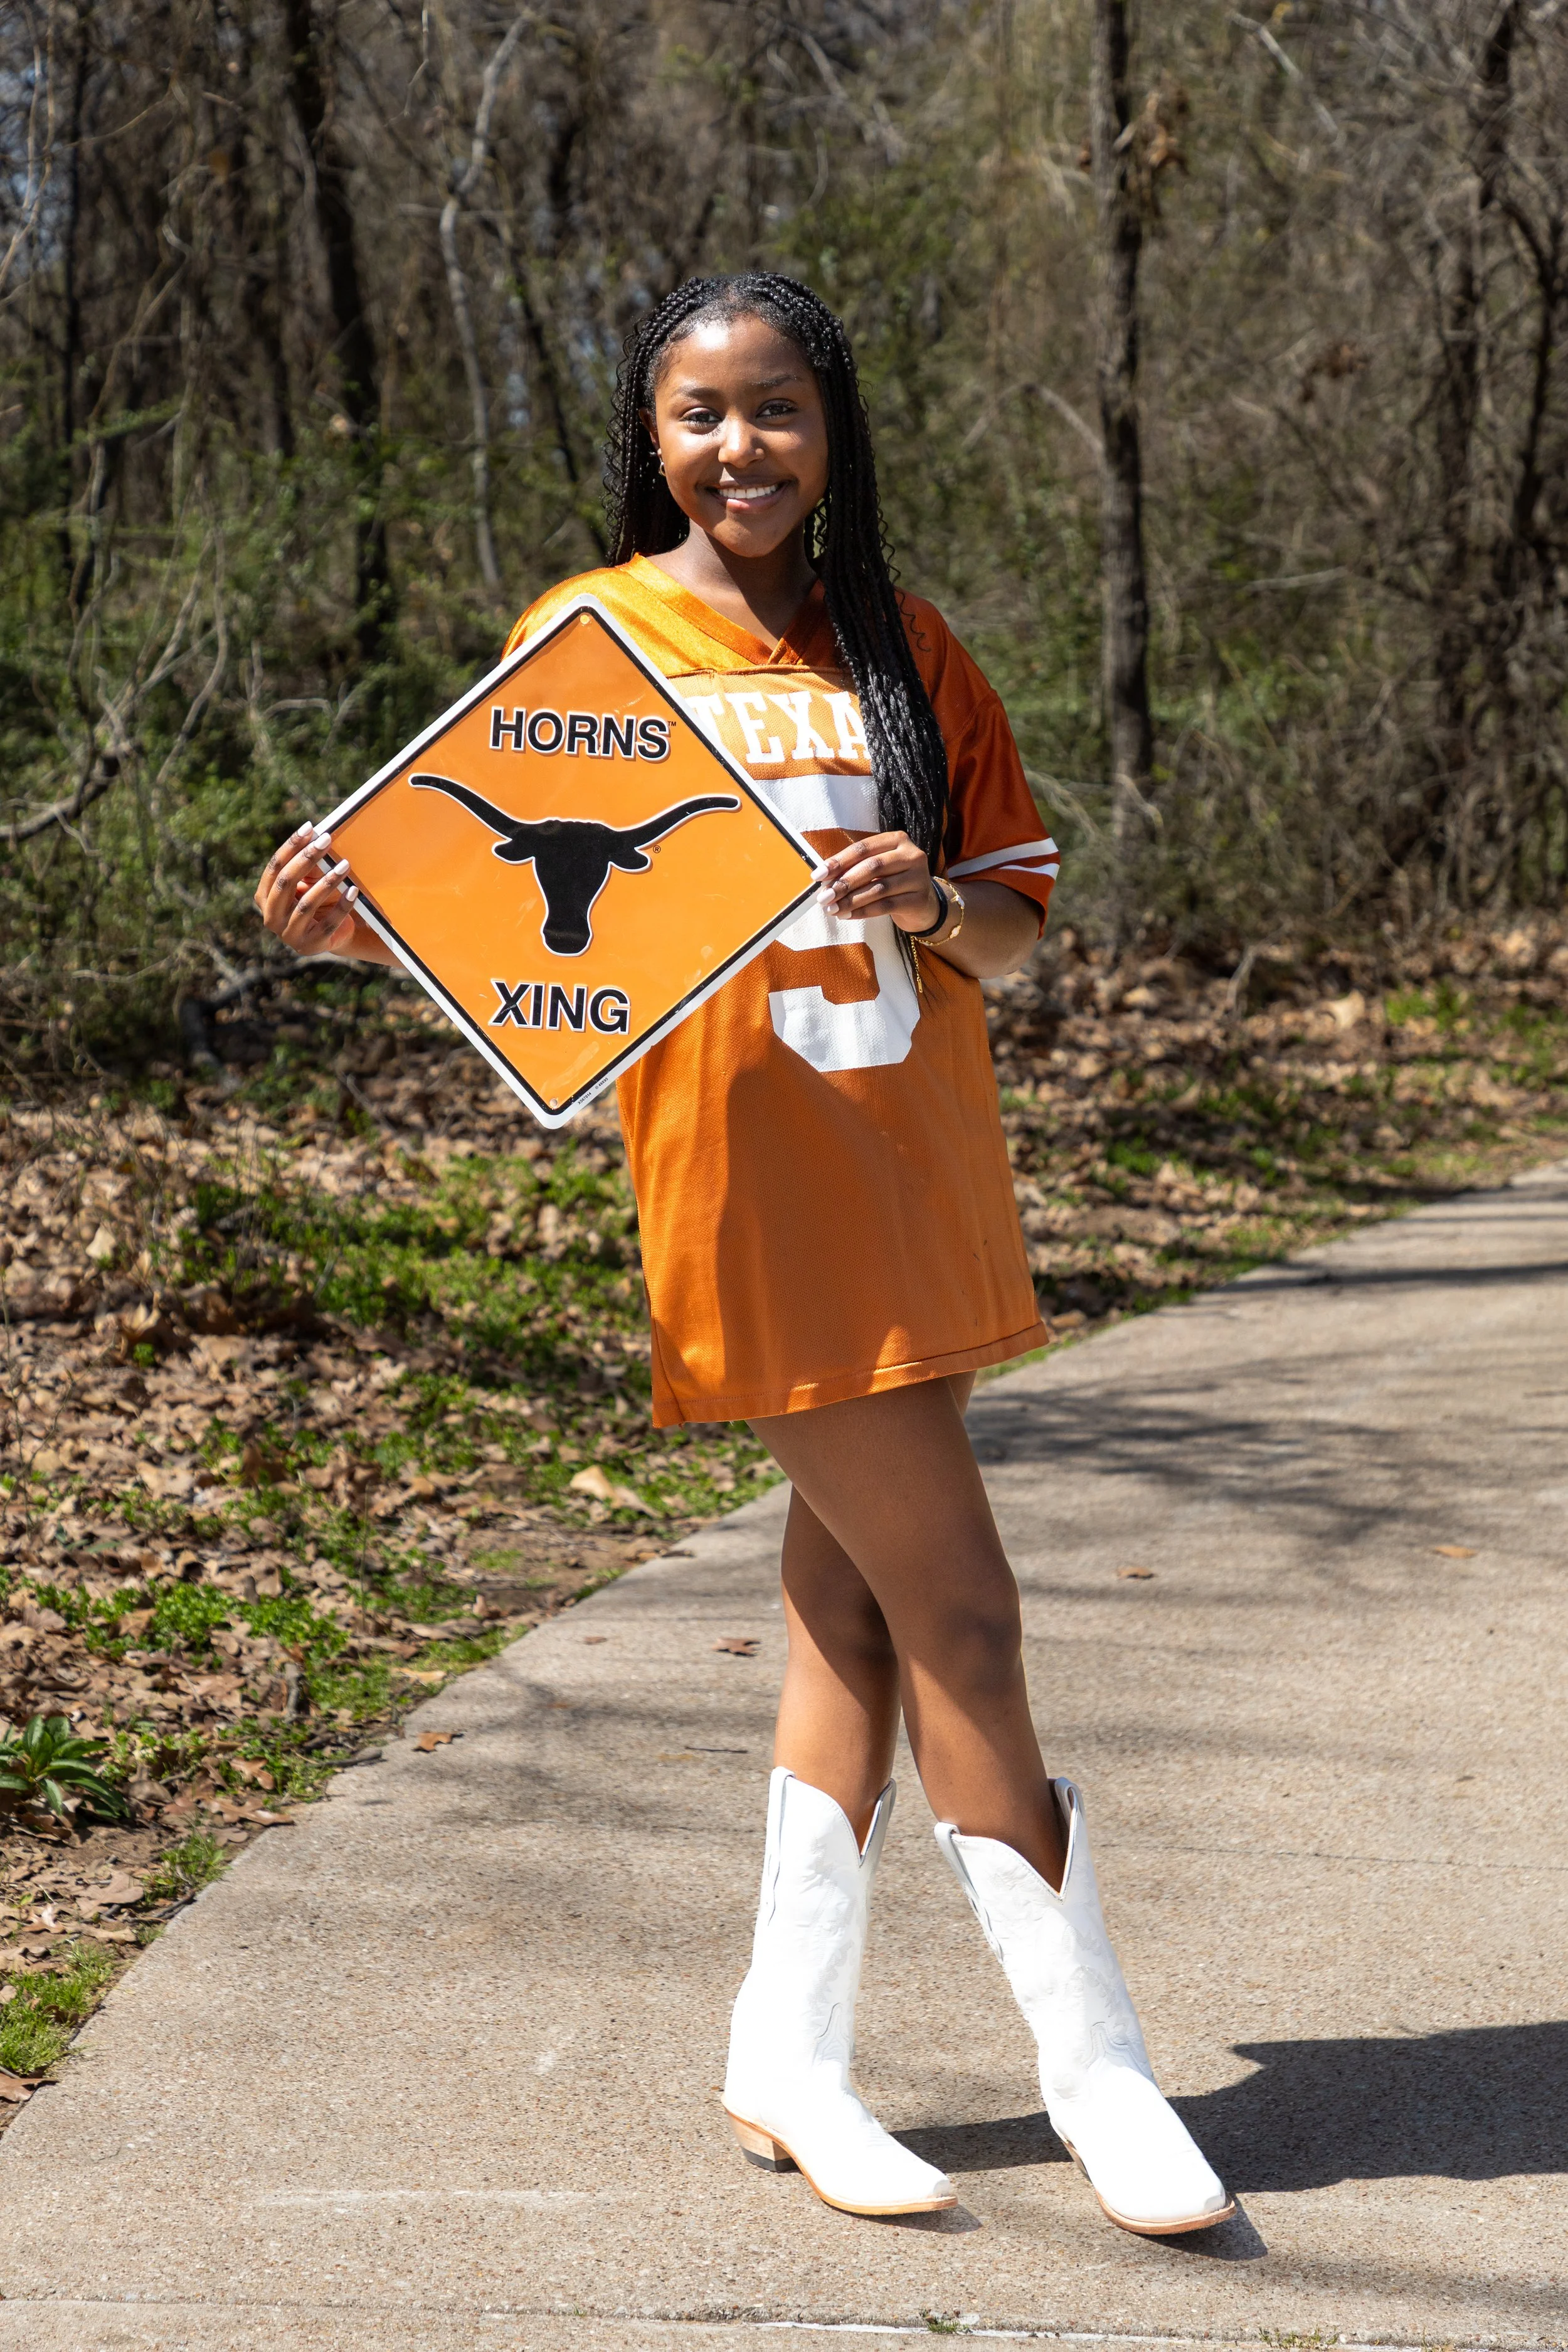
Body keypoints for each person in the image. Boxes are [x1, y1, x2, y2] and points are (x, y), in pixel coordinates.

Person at [255, 272, 1231, 2238]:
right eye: (698, 413)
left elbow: (1019, 925)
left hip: (920, 1165)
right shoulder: (590, 639)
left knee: (854, 1620)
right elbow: (521, 930)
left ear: (829, 426)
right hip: (747, 1191)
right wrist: (366, 928)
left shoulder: (909, 646)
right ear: (652, 435)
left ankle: (783, 2056)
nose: (737, 449)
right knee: (967, 1619)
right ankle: (1094, 2062)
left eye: (773, 409)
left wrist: (936, 896)